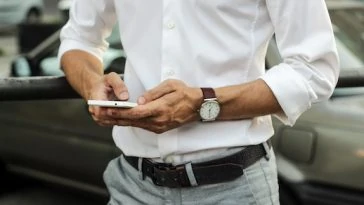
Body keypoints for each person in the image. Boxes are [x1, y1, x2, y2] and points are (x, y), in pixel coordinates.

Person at [58, 0, 339, 204]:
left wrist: (202, 105)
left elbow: (314, 69)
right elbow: (79, 39)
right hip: (132, 186)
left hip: (233, 189)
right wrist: (91, 85)